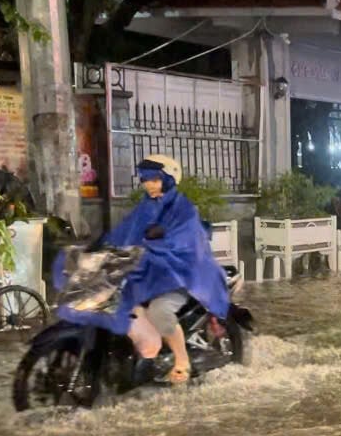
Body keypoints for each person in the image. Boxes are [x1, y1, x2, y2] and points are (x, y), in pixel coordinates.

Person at [55, 155, 229, 384]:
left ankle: (182, 361)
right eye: (146, 180)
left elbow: (186, 239)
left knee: (159, 311)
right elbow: (124, 231)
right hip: (150, 273)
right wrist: (97, 246)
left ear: (168, 179)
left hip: (182, 275)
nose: (149, 184)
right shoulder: (145, 207)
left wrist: (161, 239)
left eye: (155, 180)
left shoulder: (183, 208)